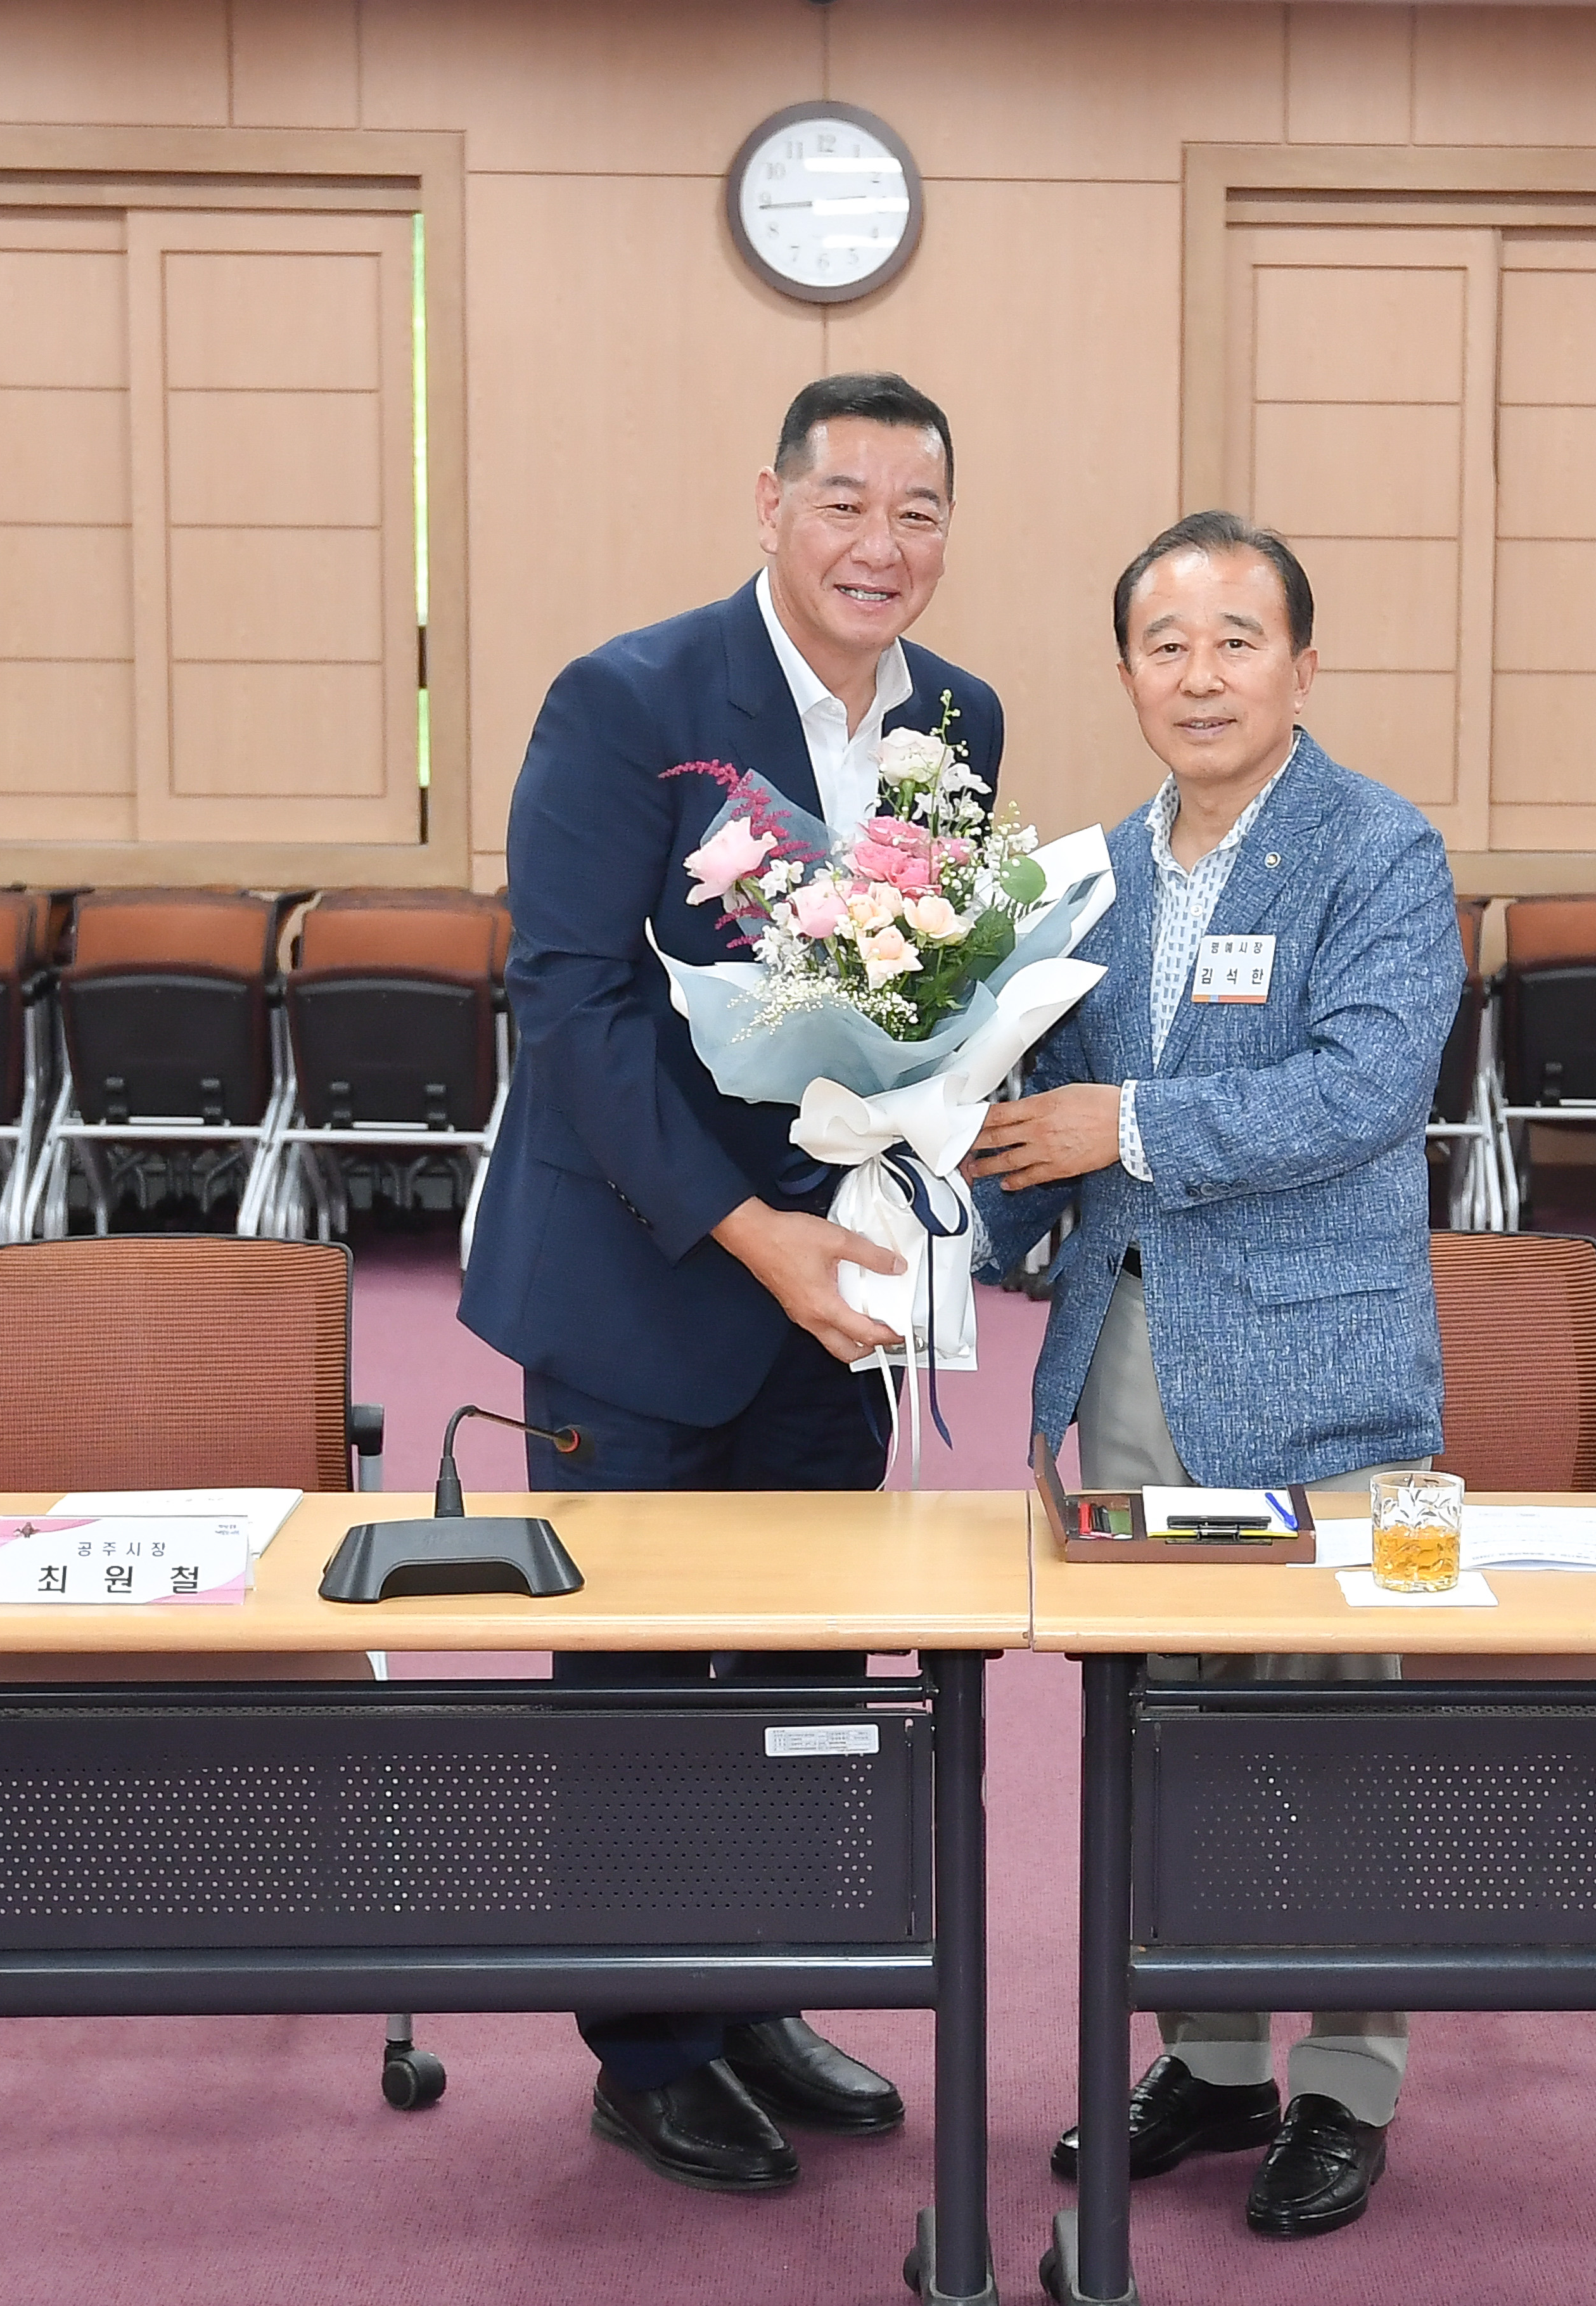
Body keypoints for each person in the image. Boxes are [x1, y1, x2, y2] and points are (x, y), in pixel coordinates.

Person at [457, 373, 1005, 2194]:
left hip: (837, 1288)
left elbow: (926, 987)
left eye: (918, 512)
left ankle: (760, 1986)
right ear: (768, 505)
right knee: (634, 1676)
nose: (880, 546)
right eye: (845, 503)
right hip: (644, 1277)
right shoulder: (629, 700)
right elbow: (569, 999)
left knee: (802, 1664)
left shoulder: (960, 718)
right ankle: (647, 2049)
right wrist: (747, 1232)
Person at [967, 509, 1460, 2239]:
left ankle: (1347, 2083)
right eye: (1164, 644)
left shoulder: (1379, 851)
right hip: (1127, 1364)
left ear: (1301, 668)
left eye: (1236, 640)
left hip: (1322, 1374)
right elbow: (1034, 1123)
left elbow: (1360, 1091)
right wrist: (927, 1182)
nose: (1200, 675)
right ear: (1125, 675)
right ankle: (1216, 2053)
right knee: (1164, 1730)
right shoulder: (1088, 874)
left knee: (1333, 1736)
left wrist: (1124, 1124)